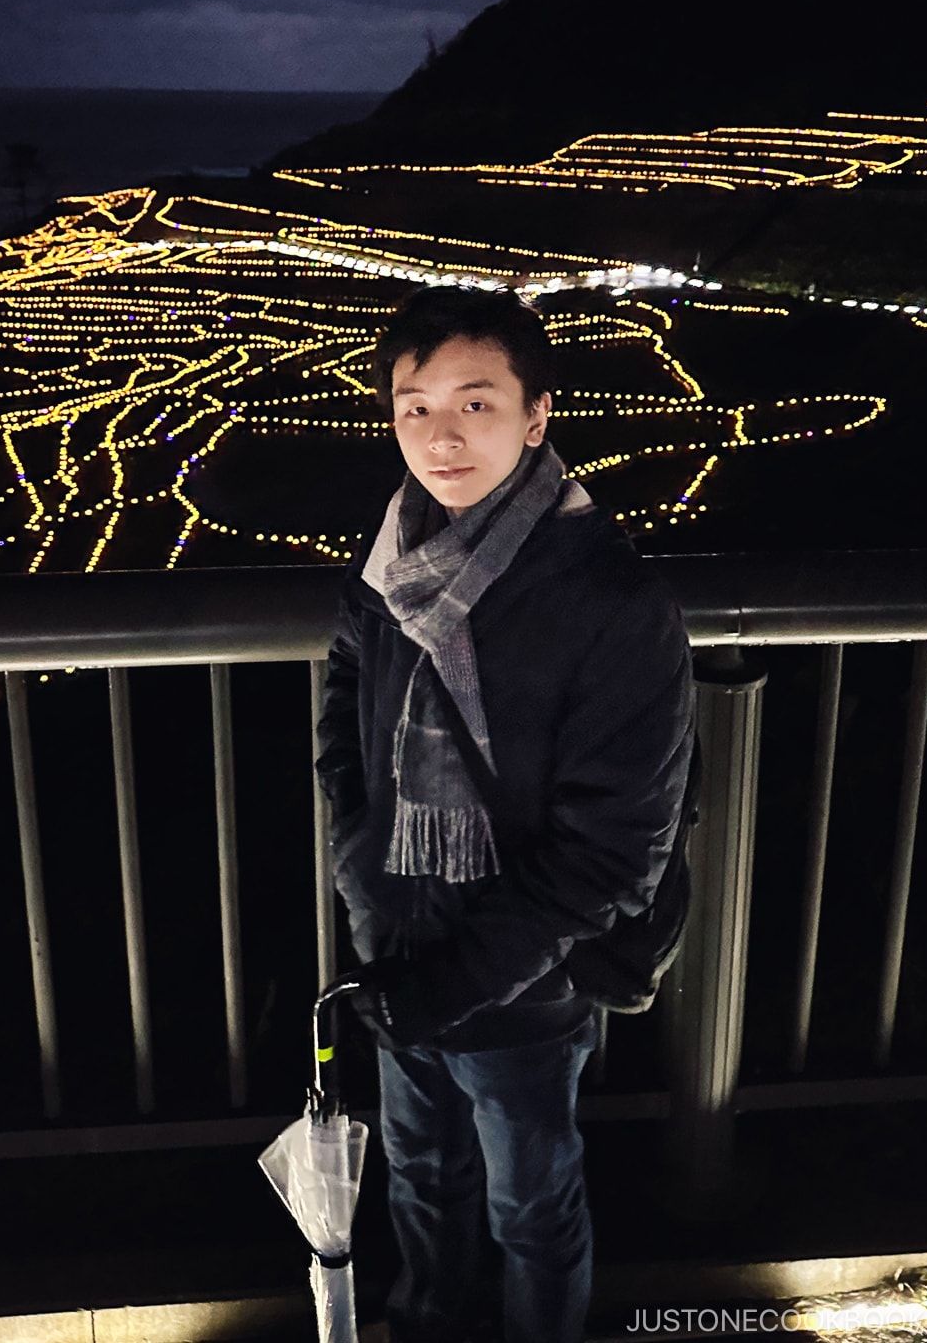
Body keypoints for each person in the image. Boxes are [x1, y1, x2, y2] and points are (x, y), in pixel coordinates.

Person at [315, 286, 694, 1343]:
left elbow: (614, 849)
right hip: (397, 941)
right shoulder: (394, 552)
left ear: (537, 417)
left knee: (531, 1204)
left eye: (476, 405)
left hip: (525, 980)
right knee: (420, 1183)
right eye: (414, 407)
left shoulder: (609, 600)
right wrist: (358, 855)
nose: (441, 437)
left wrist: (456, 981)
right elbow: (347, 687)